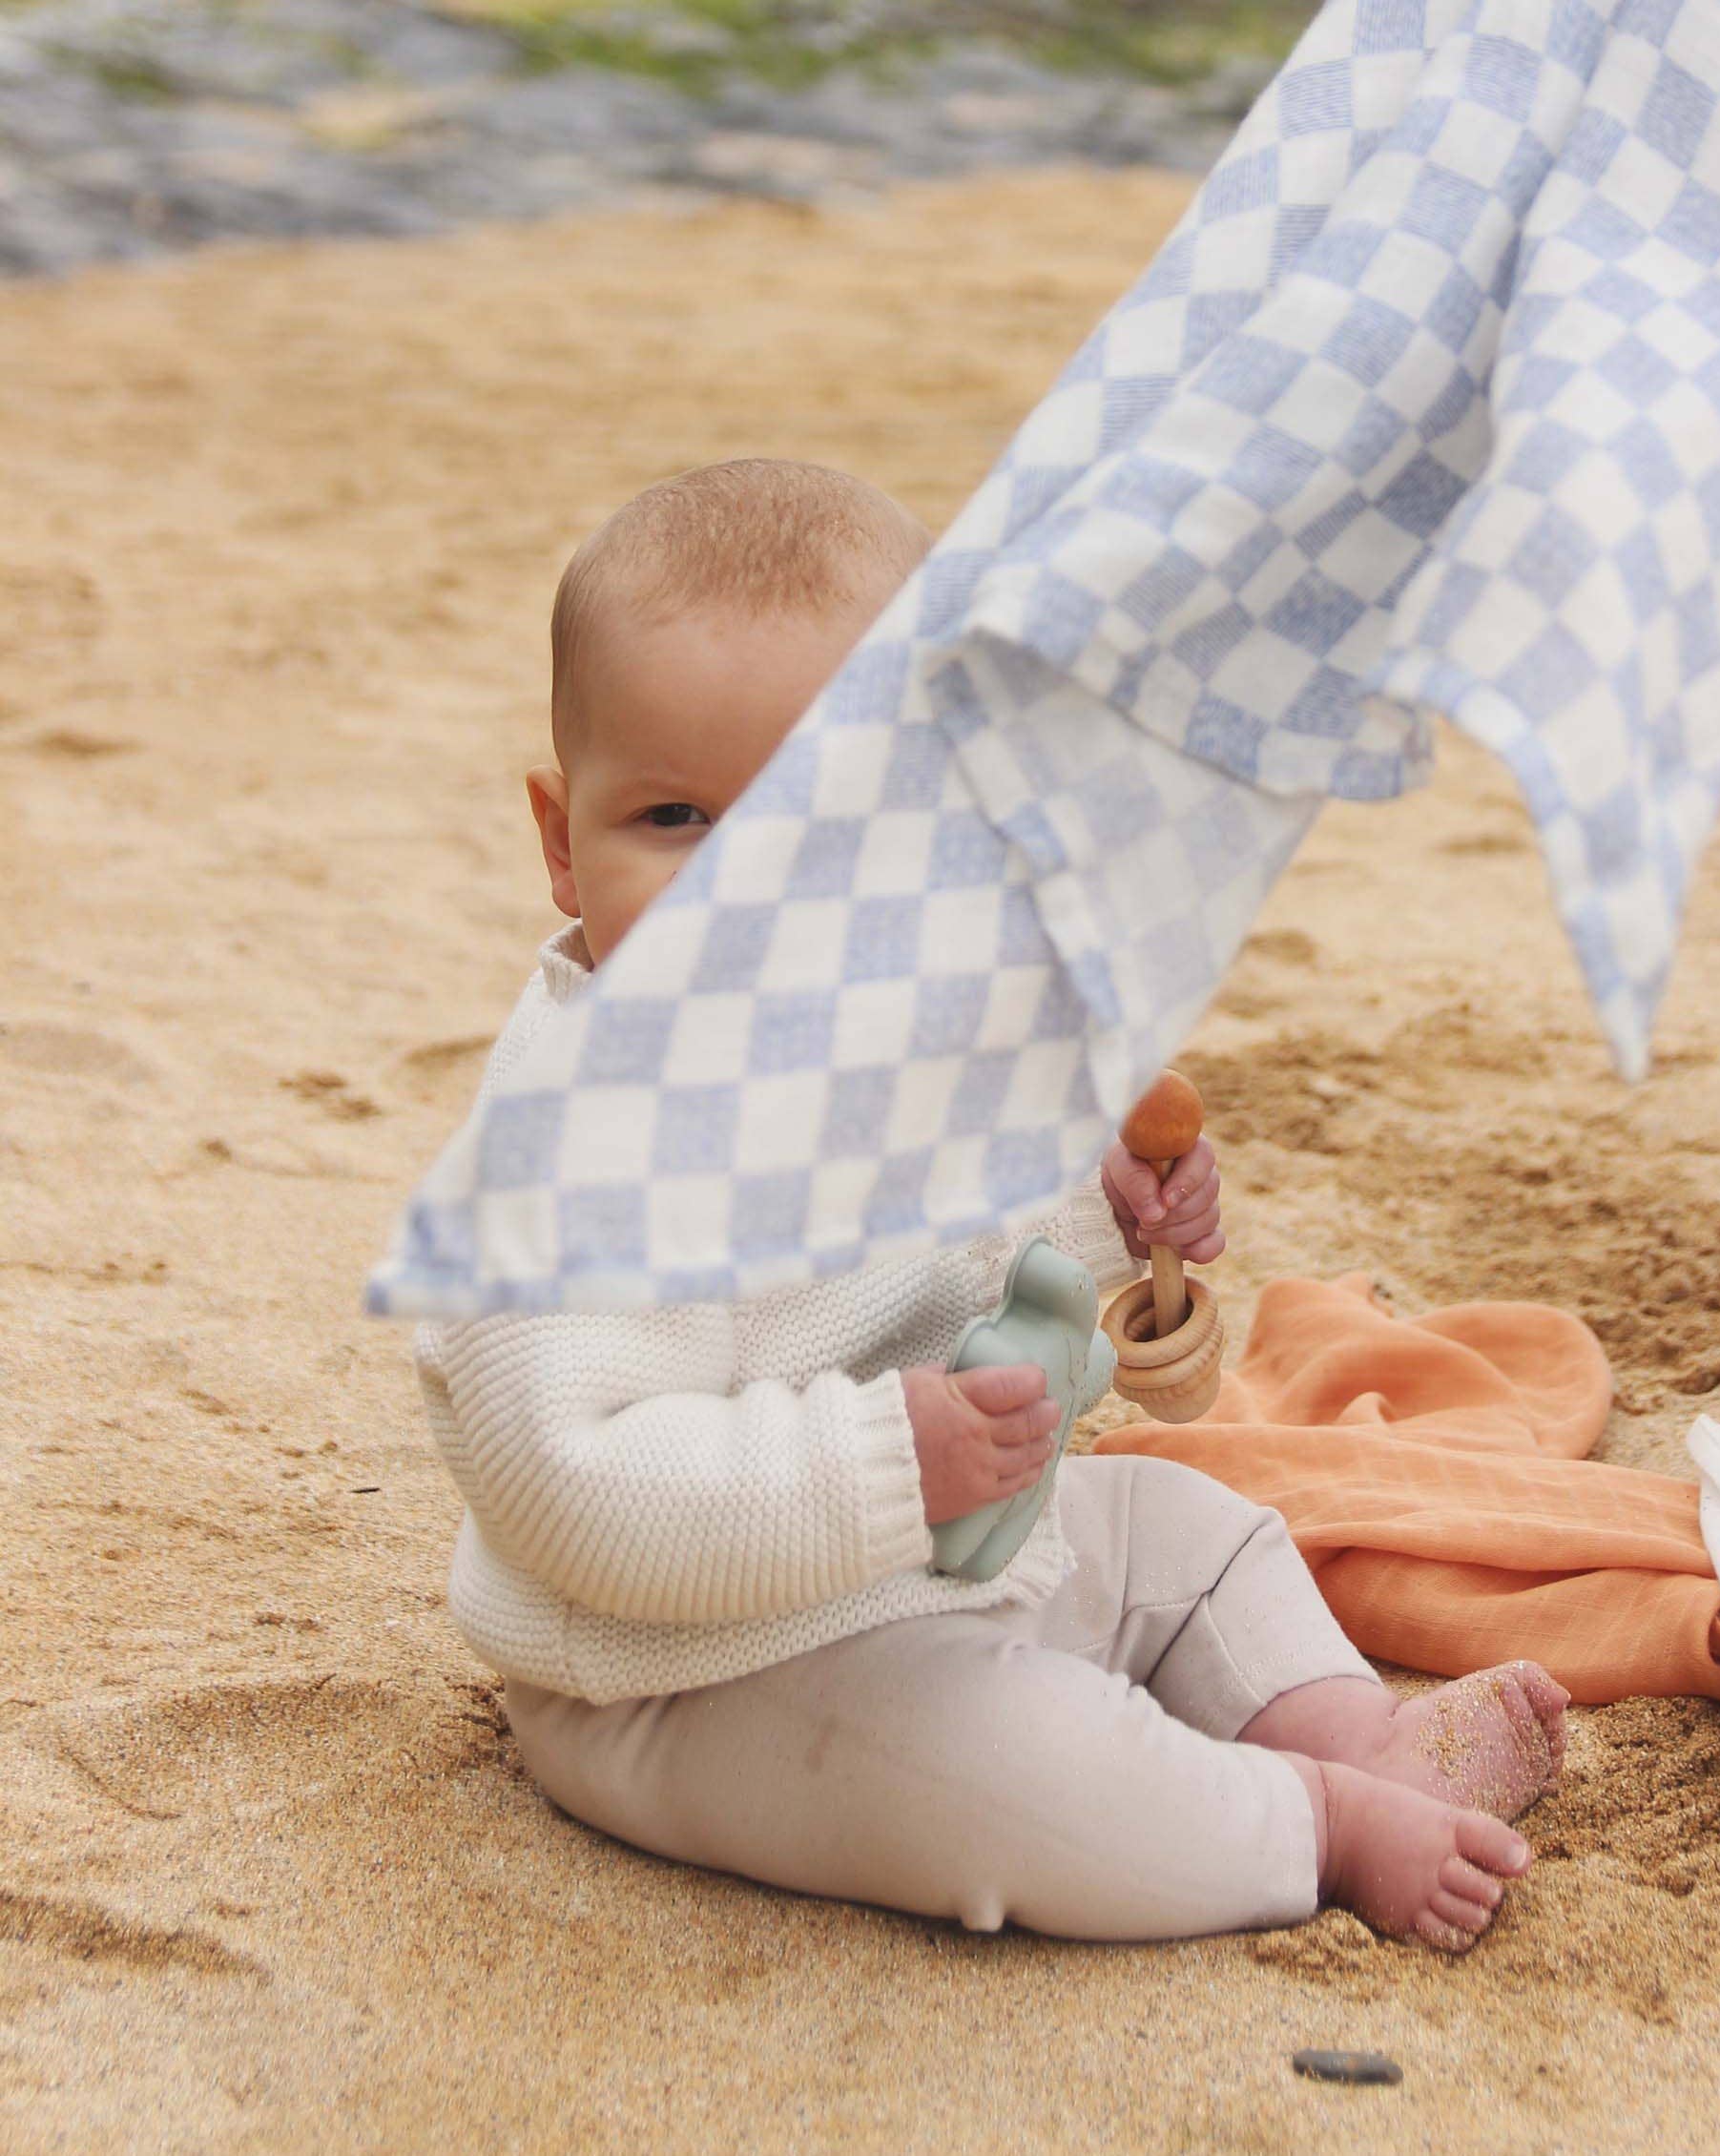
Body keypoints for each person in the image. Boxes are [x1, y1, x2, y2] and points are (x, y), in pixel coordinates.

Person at [413, 458, 1569, 1947]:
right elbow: (570, 1490)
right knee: (1010, 1780)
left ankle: (1355, 1739)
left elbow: (1005, 1298)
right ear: (565, 840)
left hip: (941, 1552)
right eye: (680, 816)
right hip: (692, 1671)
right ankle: (1318, 1825)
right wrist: (894, 1462)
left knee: (1192, 1527)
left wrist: (1117, 1233)